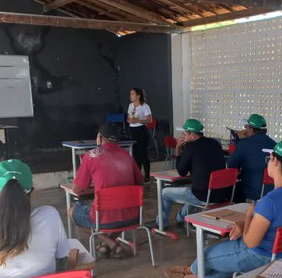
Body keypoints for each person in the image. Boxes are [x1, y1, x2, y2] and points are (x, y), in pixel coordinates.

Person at [164, 138, 282, 278]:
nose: (268, 162)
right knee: (224, 263)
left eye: (270, 158)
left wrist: (248, 216)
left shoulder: (270, 201)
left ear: (276, 162)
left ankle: (187, 272)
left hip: (257, 256)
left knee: (205, 254)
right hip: (280, 253)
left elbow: (250, 243)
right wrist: (246, 223)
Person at [71, 123, 144, 258]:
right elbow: (140, 181)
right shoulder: (127, 155)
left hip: (103, 217)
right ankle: (106, 245)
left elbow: (77, 190)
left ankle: (111, 244)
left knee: (72, 212)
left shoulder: (90, 156)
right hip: (133, 216)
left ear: (99, 137)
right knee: (118, 215)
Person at [155, 118, 228, 230]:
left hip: (203, 196)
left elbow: (181, 172)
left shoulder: (190, 147)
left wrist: (178, 148)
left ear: (193, 135)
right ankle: (180, 218)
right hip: (221, 194)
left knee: (165, 192)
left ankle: (161, 224)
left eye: (185, 134)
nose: (182, 137)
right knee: (192, 190)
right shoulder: (215, 143)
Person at [227, 113, 276, 202]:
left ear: (252, 129)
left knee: (232, 191)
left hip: (253, 191)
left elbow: (231, 165)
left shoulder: (244, 144)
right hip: (273, 190)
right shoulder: (275, 144)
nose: (245, 131)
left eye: (246, 128)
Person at [127, 87, 153, 182]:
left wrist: (138, 120)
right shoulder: (130, 105)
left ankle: (147, 175)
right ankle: (138, 175)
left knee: (143, 154)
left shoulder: (145, 106)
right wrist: (130, 120)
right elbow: (128, 117)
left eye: (132, 94)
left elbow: (149, 120)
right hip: (132, 130)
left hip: (141, 130)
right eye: (130, 94)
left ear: (138, 96)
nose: (130, 96)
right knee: (136, 154)